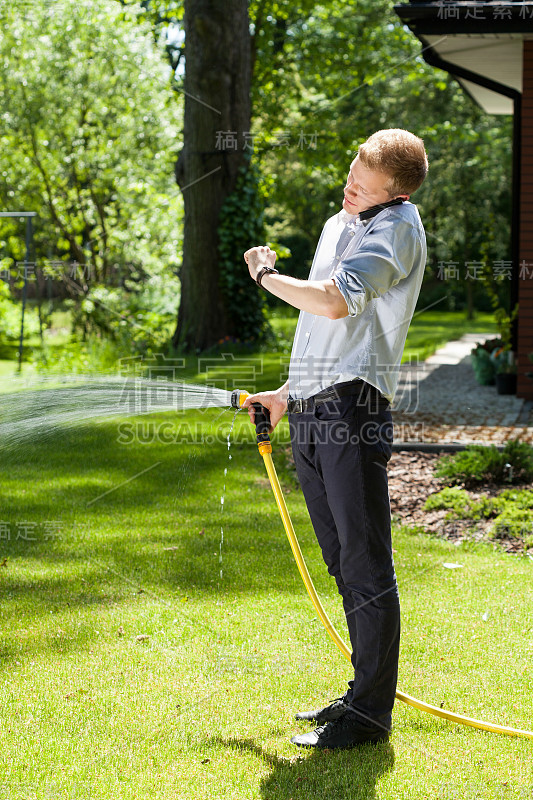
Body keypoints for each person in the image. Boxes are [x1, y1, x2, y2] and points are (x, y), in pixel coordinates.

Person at [243, 128, 428, 749]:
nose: (350, 183)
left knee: (365, 557)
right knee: (339, 557)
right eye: (352, 169)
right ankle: (359, 694)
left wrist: (267, 275)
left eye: (364, 181)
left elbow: (331, 304)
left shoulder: (398, 228)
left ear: (394, 192)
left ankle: (372, 715)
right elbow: (319, 337)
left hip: (355, 409)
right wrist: (284, 395)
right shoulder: (336, 225)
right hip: (315, 408)